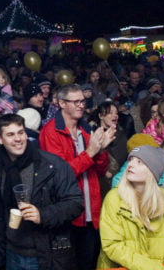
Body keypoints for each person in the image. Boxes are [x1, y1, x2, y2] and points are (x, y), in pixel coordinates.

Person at [0, 114, 84, 269]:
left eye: (21, 132)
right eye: (10, 134)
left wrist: (43, 215)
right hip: (11, 251)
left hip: (43, 253)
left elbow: (75, 203)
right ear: (0, 139)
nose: (18, 139)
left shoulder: (52, 165)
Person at [39, 84, 114, 270]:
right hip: (68, 215)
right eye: (76, 101)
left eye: (83, 101)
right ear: (62, 103)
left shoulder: (86, 129)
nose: (81, 105)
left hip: (91, 211)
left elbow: (101, 170)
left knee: (89, 263)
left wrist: (101, 150)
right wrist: (90, 152)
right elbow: (60, 175)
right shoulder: (51, 132)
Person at [97, 145, 164, 270]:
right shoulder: (114, 198)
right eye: (131, 160)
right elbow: (113, 246)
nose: (131, 165)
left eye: (139, 162)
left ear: (153, 170)